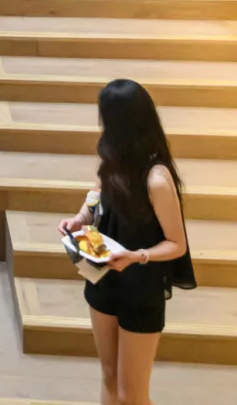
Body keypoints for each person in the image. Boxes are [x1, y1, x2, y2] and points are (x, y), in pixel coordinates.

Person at [57, 80, 194, 405]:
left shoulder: (156, 179)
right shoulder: (114, 154)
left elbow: (177, 244)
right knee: (109, 376)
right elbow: (98, 192)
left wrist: (136, 256)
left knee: (131, 394)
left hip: (141, 288)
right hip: (105, 276)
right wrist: (80, 218)